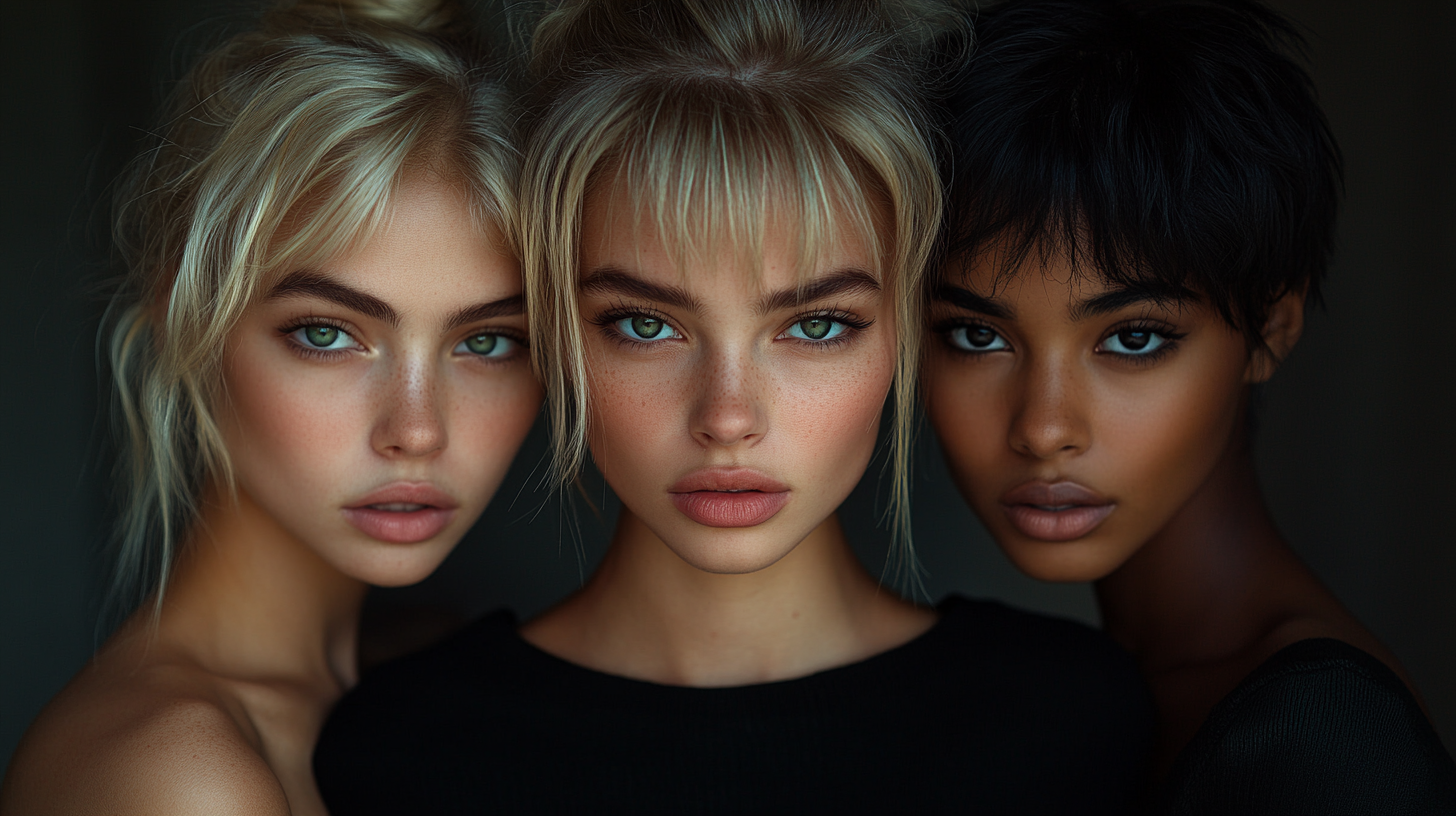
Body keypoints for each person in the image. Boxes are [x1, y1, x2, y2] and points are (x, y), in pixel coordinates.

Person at [313, 1, 1154, 813]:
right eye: (646, 325)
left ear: (907, 325)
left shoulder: (1075, 726)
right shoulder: (401, 752)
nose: (727, 416)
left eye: (816, 325)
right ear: (555, 326)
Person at [0, 1, 539, 812]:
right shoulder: (178, 776)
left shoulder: (423, 678)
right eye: (326, 334)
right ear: (184, 318)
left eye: (488, 341)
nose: (418, 430)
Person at [925, 0, 1456, 812]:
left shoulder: (1323, 743)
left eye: (1133, 340)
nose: (1043, 428)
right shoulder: (1086, 700)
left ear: (1271, 330)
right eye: (974, 336)